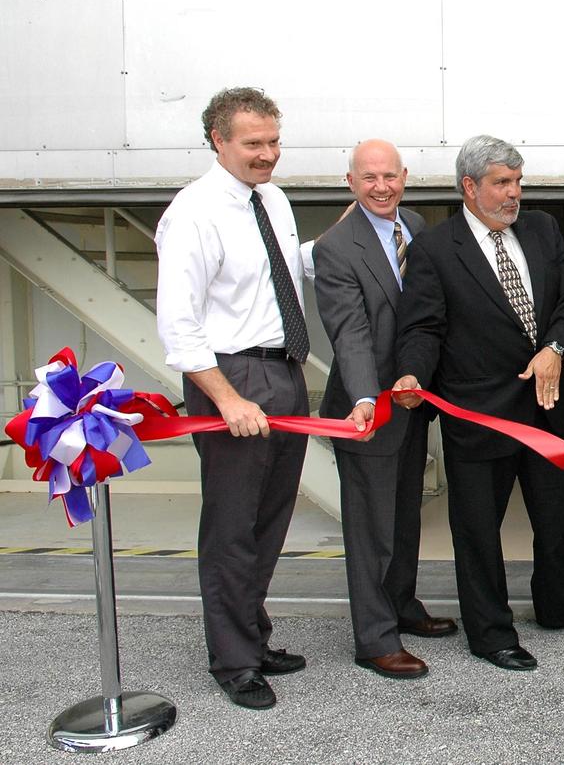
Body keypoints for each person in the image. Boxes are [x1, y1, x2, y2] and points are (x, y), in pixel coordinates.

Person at [395, 135, 564, 671]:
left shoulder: (540, 230)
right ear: (470, 188)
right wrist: (410, 373)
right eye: (501, 184)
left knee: (558, 516)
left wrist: (554, 349)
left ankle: (561, 606)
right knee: (477, 531)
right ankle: (491, 632)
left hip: (547, 406)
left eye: (517, 182)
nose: (514, 194)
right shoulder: (436, 248)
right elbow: (424, 326)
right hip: (478, 415)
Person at [155, 87, 311, 710]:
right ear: (217, 141)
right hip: (233, 381)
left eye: (273, 141)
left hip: (283, 371)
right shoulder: (193, 212)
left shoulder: (271, 199)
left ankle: (253, 633)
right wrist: (223, 399)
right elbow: (179, 324)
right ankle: (234, 661)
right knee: (231, 527)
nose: (267, 154)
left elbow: (280, 276)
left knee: (270, 519)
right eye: (253, 144)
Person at [313, 139, 459, 681]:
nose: (381, 187)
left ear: (405, 177)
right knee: (370, 524)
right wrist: (365, 400)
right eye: (368, 178)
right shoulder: (335, 248)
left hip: (412, 398)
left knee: (404, 514)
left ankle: (401, 606)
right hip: (368, 406)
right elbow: (349, 335)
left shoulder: (417, 227)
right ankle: (374, 638)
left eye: (390, 176)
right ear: (350, 182)